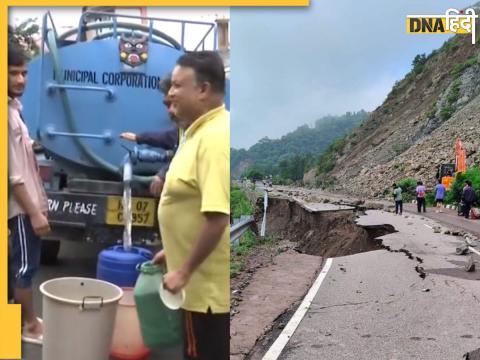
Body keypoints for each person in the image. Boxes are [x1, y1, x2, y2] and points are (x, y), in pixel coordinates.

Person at [152, 51, 229, 360]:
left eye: (177, 85)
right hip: (197, 291)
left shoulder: (214, 138)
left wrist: (182, 271)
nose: (170, 92)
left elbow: (217, 217)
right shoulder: (196, 133)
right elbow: (192, 203)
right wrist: (174, 250)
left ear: (203, 89)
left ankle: (10, 341)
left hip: (205, 294)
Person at [8, 44, 50, 344]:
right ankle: (29, 326)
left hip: (25, 207)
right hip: (19, 209)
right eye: (13, 73)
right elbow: (13, 176)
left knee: (15, 267)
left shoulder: (13, 110)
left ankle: (14, 326)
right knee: (24, 268)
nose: (21, 79)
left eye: (24, 73)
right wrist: (34, 212)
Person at [120, 76, 179, 197]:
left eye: (172, 104)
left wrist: (162, 174)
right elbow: (168, 137)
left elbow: (185, 157)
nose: (169, 111)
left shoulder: (203, 132)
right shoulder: (183, 129)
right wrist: (139, 138)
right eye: (167, 105)